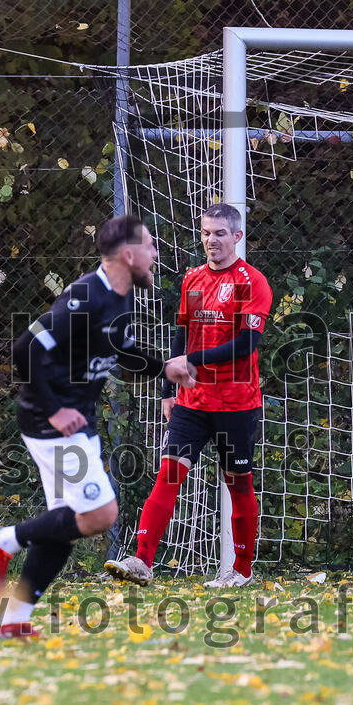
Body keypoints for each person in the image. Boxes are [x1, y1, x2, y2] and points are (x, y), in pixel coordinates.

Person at [0, 215, 192, 639]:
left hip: (76, 421)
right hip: (53, 422)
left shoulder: (120, 298)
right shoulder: (86, 297)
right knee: (100, 514)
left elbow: (122, 350)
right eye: (149, 246)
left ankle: (14, 619)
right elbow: (26, 348)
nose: (155, 254)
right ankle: (1, 540)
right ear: (128, 255)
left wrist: (163, 366)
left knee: (66, 523)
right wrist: (55, 409)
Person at [105, 202, 273, 589]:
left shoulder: (252, 281)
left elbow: (246, 344)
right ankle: (142, 561)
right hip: (192, 402)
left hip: (236, 401)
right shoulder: (193, 279)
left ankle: (242, 570)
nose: (211, 240)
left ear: (236, 236)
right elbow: (183, 334)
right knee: (168, 474)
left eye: (219, 233)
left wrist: (190, 360)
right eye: (205, 233)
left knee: (238, 483)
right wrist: (168, 387)